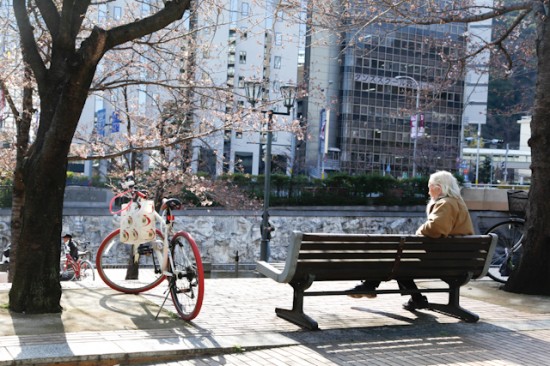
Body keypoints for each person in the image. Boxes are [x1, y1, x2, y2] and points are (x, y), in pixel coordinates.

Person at [347, 170, 474, 310]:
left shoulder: (446, 203)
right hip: (455, 260)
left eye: (429, 187)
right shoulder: (457, 203)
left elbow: (436, 228)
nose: (428, 192)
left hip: (442, 261)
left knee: (397, 259)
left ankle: (370, 286)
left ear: (438, 188)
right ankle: (415, 298)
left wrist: (419, 231)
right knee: (399, 260)